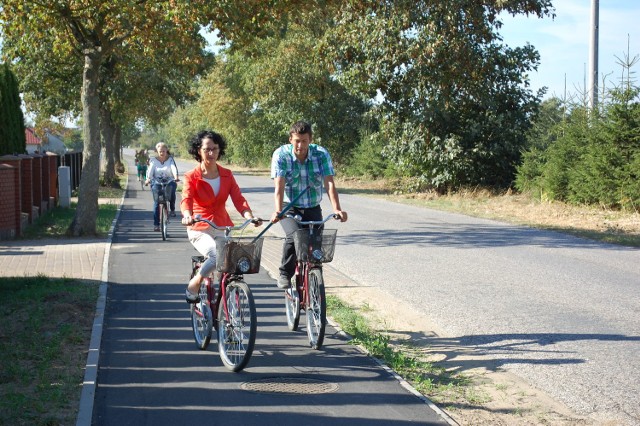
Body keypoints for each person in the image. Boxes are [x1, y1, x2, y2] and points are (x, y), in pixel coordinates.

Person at [181, 130, 261, 303]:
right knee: (217, 256)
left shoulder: (227, 174)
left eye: (215, 149)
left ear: (219, 150)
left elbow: (239, 199)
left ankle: (225, 305)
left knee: (230, 266)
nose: (211, 153)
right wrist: (187, 215)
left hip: (222, 227)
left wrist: (250, 216)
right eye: (207, 149)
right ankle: (195, 283)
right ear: (198, 151)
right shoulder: (191, 176)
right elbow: (186, 200)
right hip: (199, 227)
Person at [270, 120, 348, 289]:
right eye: (297, 140)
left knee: (315, 247)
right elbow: (279, 186)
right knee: (294, 236)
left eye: (304, 141)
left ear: (310, 140)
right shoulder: (281, 155)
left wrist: (337, 209)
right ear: (291, 139)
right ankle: (285, 273)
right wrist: (278, 211)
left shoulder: (320, 154)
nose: (300, 145)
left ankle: (314, 279)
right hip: (288, 206)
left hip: (312, 206)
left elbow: (329, 184)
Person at [145, 142, 179, 231]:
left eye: (163, 151)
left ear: (166, 150)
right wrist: (148, 179)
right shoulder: (153, 160)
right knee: (156, 202)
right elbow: (150, 170)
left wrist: (176, 177)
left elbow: (173, 168)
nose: (162, 153)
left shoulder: (170, 159)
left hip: (169, 180)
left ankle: (172, 209)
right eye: (160, 151)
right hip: (156, 181)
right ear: (157, 151)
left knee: (172, 189)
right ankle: (156, 225)